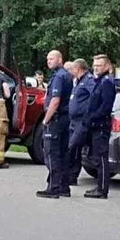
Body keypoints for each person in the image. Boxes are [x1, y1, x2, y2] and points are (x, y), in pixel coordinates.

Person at [37, 50, 73, 199]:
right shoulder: (67, 75)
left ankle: (54, 187)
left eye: (51, 59)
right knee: (63, 153)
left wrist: (46, 119)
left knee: (52, 153)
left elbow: (55, 100)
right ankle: (64, 187)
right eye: (47, 59)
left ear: (60, 59)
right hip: (65, 119)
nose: (49, 61)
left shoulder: (59, 76)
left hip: (56, 119)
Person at [84, 55, 118, 199]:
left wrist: (93, 117)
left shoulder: (107, 83)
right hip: (95, 124)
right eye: (95, 65)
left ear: (106, 66)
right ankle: (99, 185)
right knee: (96, 156)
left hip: (101, 125)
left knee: (101, 157)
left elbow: (106, 106)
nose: (96, 67)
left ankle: (102, 189)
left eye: (99, 65)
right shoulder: (98, 81)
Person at [65, 59, 96, 187]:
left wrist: (87, 111)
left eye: (72, 69)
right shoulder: (78, 81)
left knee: (72, 147)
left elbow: (95, 95)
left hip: (81, 121)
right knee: (73, 149)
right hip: (73, 121)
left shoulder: (88, 80)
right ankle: (71, 177)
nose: (70, 72)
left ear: (78, 68)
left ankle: (71, 175)